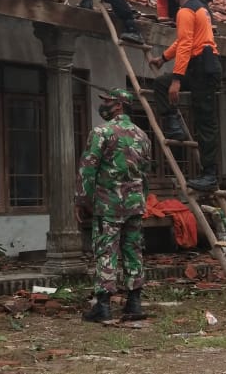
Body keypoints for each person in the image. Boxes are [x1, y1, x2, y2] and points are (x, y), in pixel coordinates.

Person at [75, 89, 153, 322]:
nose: (105, 106)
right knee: (133, 250)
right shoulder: (143, 136)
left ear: (119, 105)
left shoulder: (102, 132)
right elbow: (145, 172)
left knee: (106, 251)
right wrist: (141, 199)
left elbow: (88, 168)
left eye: (108, 102)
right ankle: (134, 303)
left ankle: (103, 305)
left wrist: (82, 200)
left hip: (109, 204)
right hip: (135, 204)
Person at [147, 0, 221, 192]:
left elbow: (186, 45)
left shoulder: (185, 12)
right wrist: (163, 58)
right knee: (161, 83)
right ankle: (174, 124)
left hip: (202, 66)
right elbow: (183, 41)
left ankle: (209, 175)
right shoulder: (198, 8)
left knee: (205, 123)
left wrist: (177, 79)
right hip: (201, 65)